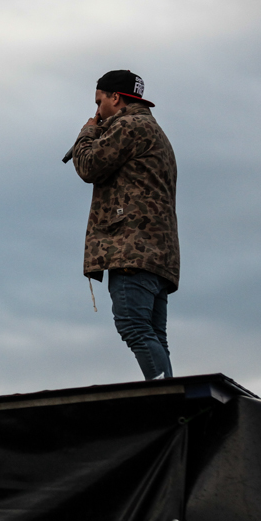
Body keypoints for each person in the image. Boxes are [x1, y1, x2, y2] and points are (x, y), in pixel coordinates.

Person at [70, 70, 180, 380]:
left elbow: (89, 166)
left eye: (99, 102)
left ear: (116, 98)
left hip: (131, 250)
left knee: (132, 325)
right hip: (158, 254)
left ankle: (167, 399)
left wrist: (87, 133)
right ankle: (169, 392)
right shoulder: (154, 130)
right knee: (153, 333)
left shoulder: (129, 126)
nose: (97, 110)